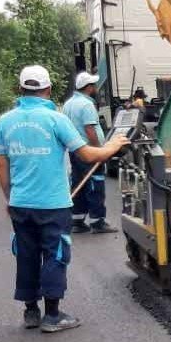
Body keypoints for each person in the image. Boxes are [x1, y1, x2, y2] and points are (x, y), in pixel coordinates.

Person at [0, 65, 130, 333]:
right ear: (48, 89)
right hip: (53, 205)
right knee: (55, 255)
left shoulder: (5, 121)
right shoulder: (55, 120)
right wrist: (113, 146)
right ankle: (53, 316)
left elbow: (1, 166)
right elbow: (88, 156)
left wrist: (10, 198)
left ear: (20, 89)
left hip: (21, 204)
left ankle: (31, 311)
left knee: (26, 254)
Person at [62, 71, 115, 234]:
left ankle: (77, 220)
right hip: (89, 150)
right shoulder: (86, 105)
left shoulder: (68, 104)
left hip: (75, 151)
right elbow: (90, 129)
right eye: (93, 85)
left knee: (78, 182)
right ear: (89, 87)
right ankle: (97, 221)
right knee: (94, 184)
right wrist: (99, 150)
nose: (95, 87)